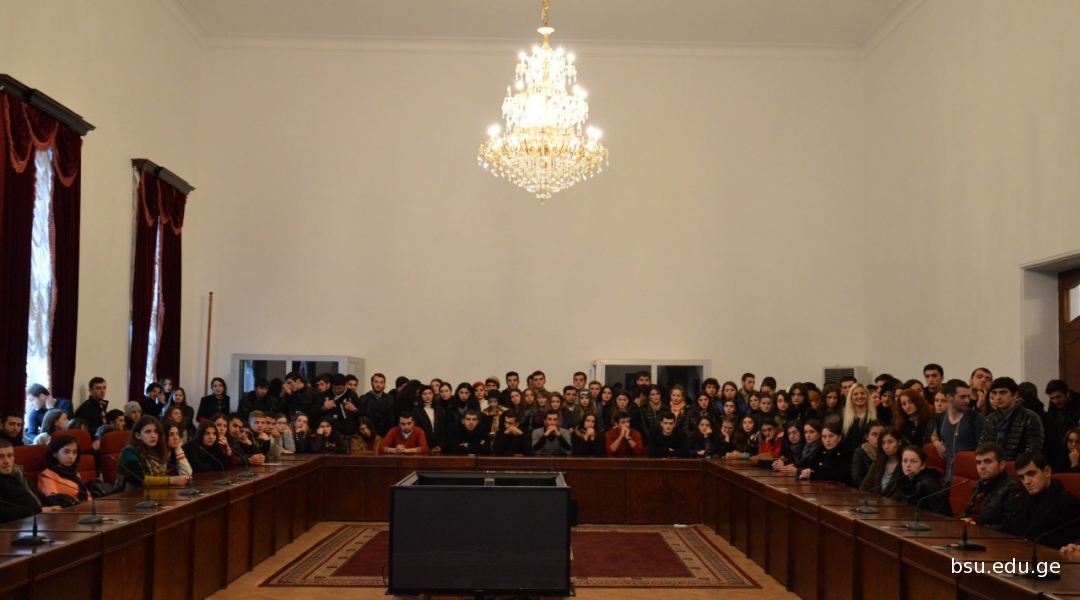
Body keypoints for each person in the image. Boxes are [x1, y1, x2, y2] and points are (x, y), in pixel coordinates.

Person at [1004, 451, 1080, 548]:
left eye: (1031, 474)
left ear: (1047, 471)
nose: (1026, 481)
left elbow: (1068, 542)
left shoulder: (1068, 504)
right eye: (1022, 477)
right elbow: (1008, 531)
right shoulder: (1020, 499)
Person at [929, 379, 985, 483]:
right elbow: (934, 435)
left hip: (970, 478)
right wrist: (936, 443)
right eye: (962, 397)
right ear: (949, 397)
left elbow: (985, 448)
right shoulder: (941, 417)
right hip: (949, 477)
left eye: (968, 396)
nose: (967, 401)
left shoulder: (976, 418)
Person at [978, 377, 1045, 460]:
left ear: (1015, 395)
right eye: (994, 393)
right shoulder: (990, 418)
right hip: (992, 464)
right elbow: (982, 447)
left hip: (1019, 464)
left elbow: (1033, 449)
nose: (998, 397)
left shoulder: (1029, 417)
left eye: (1003, 392)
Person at [960, 443, 1022, 530]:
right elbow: (968, 513)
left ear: (1002, 465)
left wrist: (977, 527)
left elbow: (1009, 528)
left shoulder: (1012, 489)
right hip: (969, 531)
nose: (982, 467)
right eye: (978, 462)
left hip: (987, 536)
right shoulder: (979, 483)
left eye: (988, 462)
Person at [118, 417, 189, 490]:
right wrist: (172, 480)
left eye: (156, 431)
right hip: (129, 493)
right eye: (148, 432)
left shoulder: (155, 450)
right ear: (138, 435)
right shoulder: (129, 452)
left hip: (153, 491)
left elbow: (162, 474)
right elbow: (140, 480)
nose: (153, 436)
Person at [0, 439, 61, 522]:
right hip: (18, 523)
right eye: (1, 457)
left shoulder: (19, 472)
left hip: (39, 517)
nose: (7, 461)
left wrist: (55, 506)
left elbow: (36, 494)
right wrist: (39, 510)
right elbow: (3, 513)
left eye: (10, 455)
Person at [893, 446, 950, 516]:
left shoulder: (929, 483)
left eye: (913, 461)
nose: (908, 465)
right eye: (905, 461)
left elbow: (942, 513)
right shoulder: (903, 480)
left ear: (923, 465)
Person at [37, 434, 88, 504]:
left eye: (74, 452)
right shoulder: (47, 475)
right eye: (66, 452)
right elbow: (54, 502)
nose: (71, 456)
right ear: (55, 453)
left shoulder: (73, 472)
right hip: (66, 509)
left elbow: (87, 496)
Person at [859, 427, 906, 499]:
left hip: (893, 504)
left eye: (890, 442)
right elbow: (865, 485)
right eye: (883, 443)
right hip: (874, 502)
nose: (886, 446)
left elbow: (900, 493)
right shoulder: (878, 463)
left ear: (899, 442)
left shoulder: (905, 464)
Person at [850, 420, 884, 489]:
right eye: (874, 434)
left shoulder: (888, 452)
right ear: (867, 437)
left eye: (881, 435)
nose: (878, 438)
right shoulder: (860, 452)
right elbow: (857, 478)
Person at [413, 385, 444, 454]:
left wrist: (441, 445)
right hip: (424, 444)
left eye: (430, 393)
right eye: (425, 394)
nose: (428, 396)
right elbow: (417, 429)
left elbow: (442, 428)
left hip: (438, 444)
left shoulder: (439, 409)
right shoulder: (416, 411)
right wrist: (427, 446)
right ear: (421, 396)